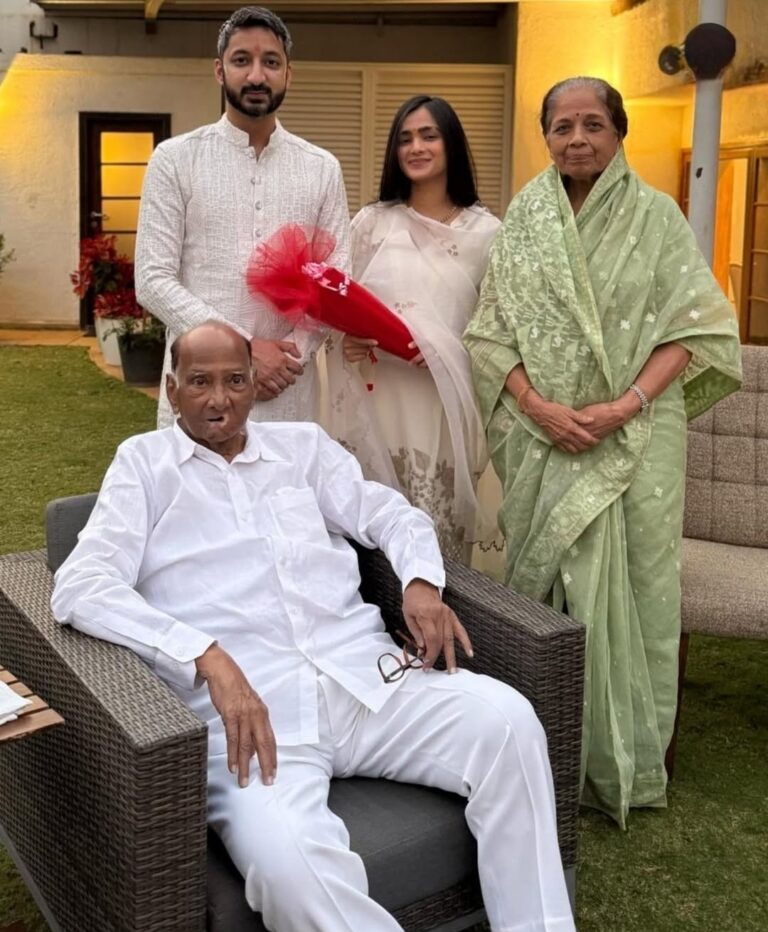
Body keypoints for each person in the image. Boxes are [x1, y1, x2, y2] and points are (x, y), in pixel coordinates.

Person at [51, 321, 574, 932]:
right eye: (199, 382)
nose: (219, 399)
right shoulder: (144, 465)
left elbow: (390, 515)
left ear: (254, 385)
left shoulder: (302, 448)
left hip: (367, 681)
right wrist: (205, 655)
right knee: (292, 871)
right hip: (255, 720)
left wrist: (421, 584)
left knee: (509, 723)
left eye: (234, 381)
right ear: (172, 389)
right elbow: (81, 584)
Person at [464, 77, 742, 828]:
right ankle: (541, 749)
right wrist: (539, 408)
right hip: (542, 435)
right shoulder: (525, 222)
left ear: (618, 134)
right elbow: (489, 334)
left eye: (592, 124)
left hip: (638, 432)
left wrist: (623, 406)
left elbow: (694, 328)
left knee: (638, 587)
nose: (576, 139)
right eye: (562, 126)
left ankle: (624, 755)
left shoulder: (657, 218)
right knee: (545, 587)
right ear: (546, 137)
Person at [134, 5, 350, 428]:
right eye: (241, 60)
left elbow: (335, 282)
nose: (256, 76)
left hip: (286, 391)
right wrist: (246, 352)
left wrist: (288, 358)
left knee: (284, 474)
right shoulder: (175, 160)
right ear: (220, 70)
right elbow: (153, 280)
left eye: (271, 62)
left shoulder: (321, 168)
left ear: (288, 74)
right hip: (197, 388)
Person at [323, 95, 501, 562]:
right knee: (374, 529)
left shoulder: (487, 233)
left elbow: (497, 330)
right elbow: (342, 303)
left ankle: (439, 606)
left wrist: (448, 351)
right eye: (405, 139)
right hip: (379, 391)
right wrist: (348, 339)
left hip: (443, 400)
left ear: (451, 144)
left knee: (437, 537)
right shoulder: (371, 223)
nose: (416, 147)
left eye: (428, 135)